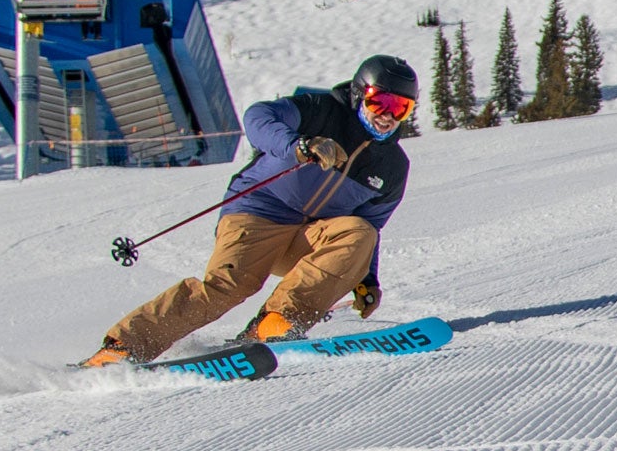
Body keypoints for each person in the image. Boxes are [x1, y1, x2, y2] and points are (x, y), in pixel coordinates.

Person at [83, 54, 418, 366]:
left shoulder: (392, 167)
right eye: (379, 101)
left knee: (360, 233)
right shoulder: (320, 110)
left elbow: (370, 227)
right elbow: (257, 117)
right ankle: (123, 348)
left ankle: (276, 322)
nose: (387, 115)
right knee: (229, 285)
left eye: (401, 108)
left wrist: (367, 279)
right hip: (258, 212)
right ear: (360, 95)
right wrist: (298, 145)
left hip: (308, 236)